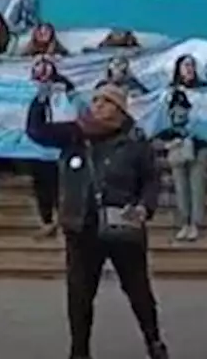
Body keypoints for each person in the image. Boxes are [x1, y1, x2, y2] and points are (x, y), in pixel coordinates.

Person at [25, 82, 169, 359]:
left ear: (119, 108)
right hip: (81, 226)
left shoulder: (136, 140)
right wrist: (40, 99)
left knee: (138, 290)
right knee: (79, 294)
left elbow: (151, 179)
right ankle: (79, 351)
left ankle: (154, 342)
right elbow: (36, 131)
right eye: (95, 100)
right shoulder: (75, 134)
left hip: (122, 225)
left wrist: (143, 208)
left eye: (105, 101)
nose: (97, 105)